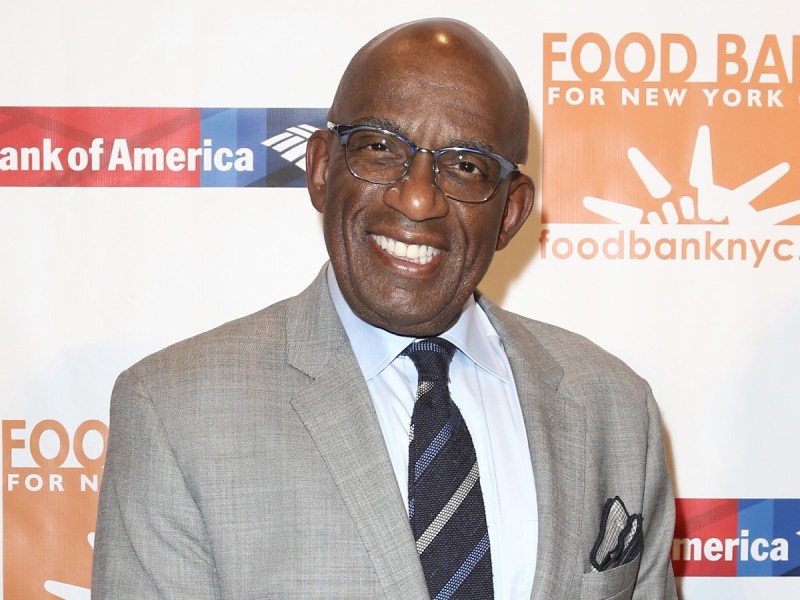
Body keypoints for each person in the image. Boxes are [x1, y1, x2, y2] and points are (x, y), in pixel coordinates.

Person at [92, 18, 677, 600]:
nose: (418, 197)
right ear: (321, 169)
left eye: (466, 166)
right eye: (379, 148)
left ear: (512, 212)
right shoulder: (175, 412)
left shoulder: (616, 410)